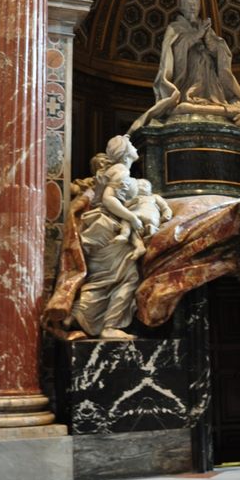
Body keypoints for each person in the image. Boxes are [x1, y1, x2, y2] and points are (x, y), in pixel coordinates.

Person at [128, 0, 240, 132]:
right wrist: (196, 35)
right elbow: (173, 50)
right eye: (188, 5)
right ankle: (190, 98)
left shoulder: (204, 27)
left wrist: (208, 39)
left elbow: (219, 52)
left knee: (212, 90)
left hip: (208, 75)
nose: (192, 8)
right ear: (182, 8)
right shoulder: (175, 27)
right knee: (183, 105)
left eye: (195, 5)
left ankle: (211, 102)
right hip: (187, 74)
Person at [69, 134, 146, 340]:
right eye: (131, 145)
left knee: (102, 279)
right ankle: (110, 326)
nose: (135, 147)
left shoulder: (113, 170)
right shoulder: (120, 171)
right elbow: (108, 199)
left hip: (100, 226)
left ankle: (79, 313)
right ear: (124, 151)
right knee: (128, 277)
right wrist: (131, 217)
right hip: (109, 227)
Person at [114, 178, 173, 259]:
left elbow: (165, 207)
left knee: (128, 218)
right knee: (130, 226)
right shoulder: (130, 198)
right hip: (136, 219)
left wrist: (167, 215)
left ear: (151, 189)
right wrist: (131, 202)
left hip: (151, 216)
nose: (142, 186)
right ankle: (138, 246)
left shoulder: (154, 197)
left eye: (145, 185)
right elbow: (122, 208)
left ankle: (124, 235)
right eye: (139, 185)